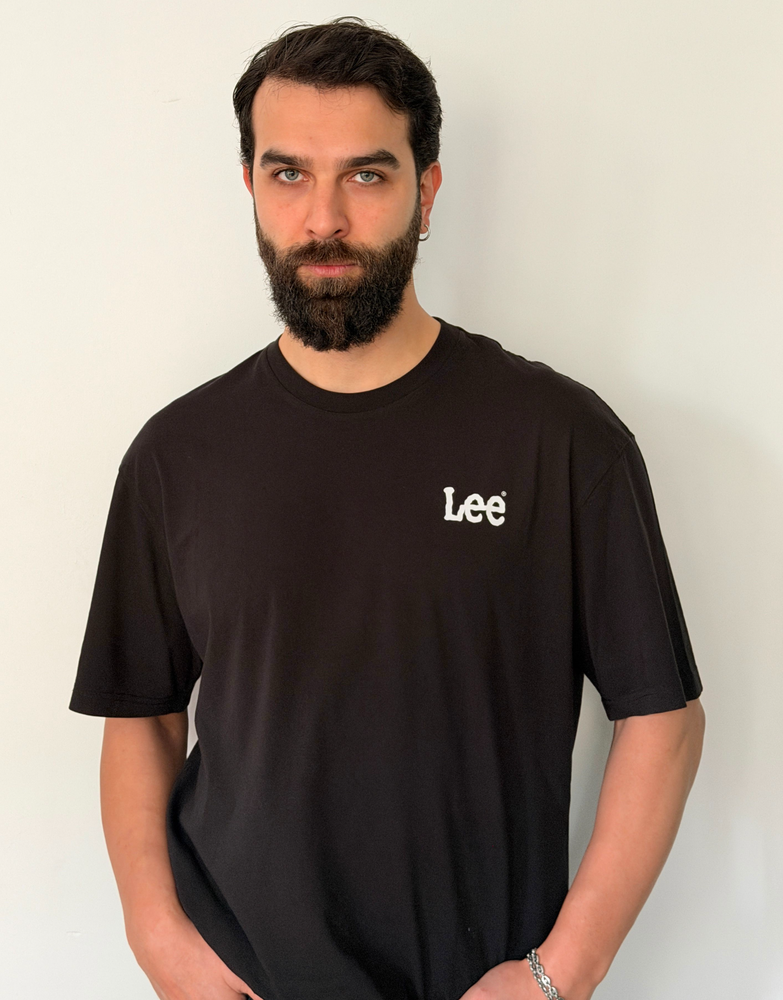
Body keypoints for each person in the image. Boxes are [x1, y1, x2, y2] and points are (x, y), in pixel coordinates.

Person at [69, 16, 705, 1000]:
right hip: (241, 976)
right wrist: (159, 939)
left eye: (366, 175)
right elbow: (142, 713)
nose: (323, 217)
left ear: (427, 189)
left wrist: (562, 973)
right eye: (288, 173)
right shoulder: (177, 454)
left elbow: (661, 717)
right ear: (250, 186)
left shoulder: (561, 439)